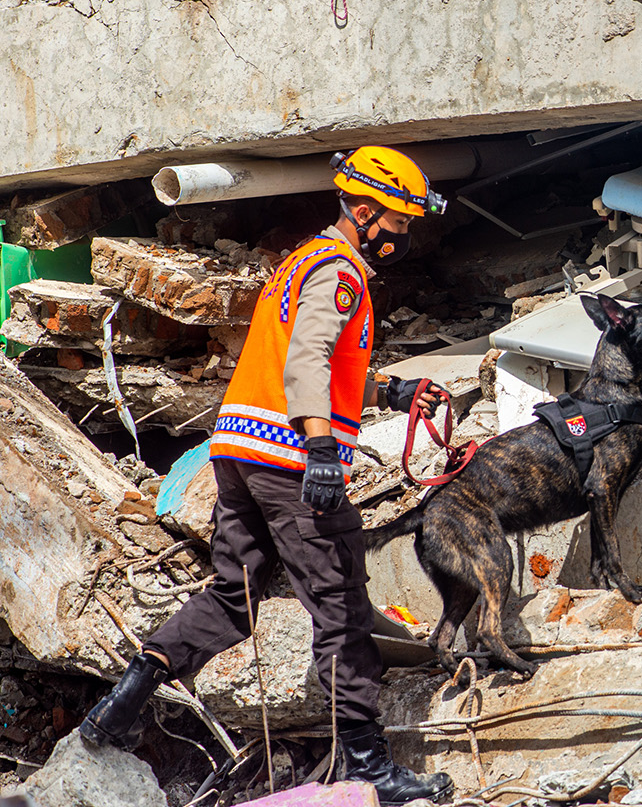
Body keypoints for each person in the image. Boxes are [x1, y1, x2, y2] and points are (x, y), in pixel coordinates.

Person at [80, 146, 455, 805]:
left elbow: (323, 370)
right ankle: (369, 767)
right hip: (287, 458)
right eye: (398, 223)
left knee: (234, 597)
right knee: (339, 604)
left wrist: (391, 395)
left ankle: (124, 699)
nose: (403, 235)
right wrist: (318, 453)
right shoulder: (340, 274)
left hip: (239, 453)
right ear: (365, 210)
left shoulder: (301, 263)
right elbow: (307, 361)